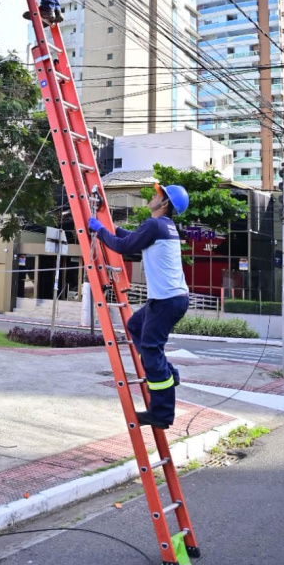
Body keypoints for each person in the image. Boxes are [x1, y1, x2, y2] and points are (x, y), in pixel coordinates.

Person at [88, 182, 190, 430]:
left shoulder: (155, 225)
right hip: (170, 299)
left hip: (166, 300)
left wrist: (100, 231)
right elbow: (132, 239)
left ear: (165, 203)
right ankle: (168, 372)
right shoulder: (163, 226)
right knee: (135, 325)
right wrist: (111, 229)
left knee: (151, 349)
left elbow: (123, 247)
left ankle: (161, 414)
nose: (153, 196)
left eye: (158, 194)